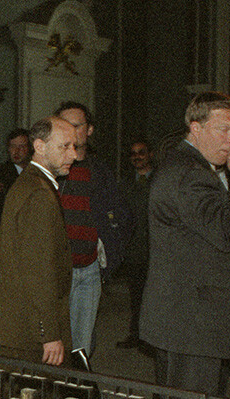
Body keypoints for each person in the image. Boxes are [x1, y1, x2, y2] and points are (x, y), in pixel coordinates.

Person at [139, 92, 230, 395]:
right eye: (223, 129)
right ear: (195, 127)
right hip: (192, 322)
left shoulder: (188, 166)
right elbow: (229, 234)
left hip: (188, 319)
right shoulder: (190, 174)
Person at [0, 116, 76, 365]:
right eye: (65, 146)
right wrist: (49, 333)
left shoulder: (32, 184)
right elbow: (39, 270)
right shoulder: (38, 193)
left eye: (74, 146)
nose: (74, 155)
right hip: (26, 336)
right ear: (40, 147)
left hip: (17, 329)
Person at [54, 101, 131, 361]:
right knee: (53, 346)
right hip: (55, 270)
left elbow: (120, 219)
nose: (71, 131)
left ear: (89, 130)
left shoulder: (100, 171)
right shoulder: (50, 171)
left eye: (77, 125)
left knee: (82, 348)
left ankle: (75, 398)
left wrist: (108, 265)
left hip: (89, 270)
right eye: (64, 125)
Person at [116, 138, 154, 350]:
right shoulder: (125, 184)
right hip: (134, 249)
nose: (137, 157)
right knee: (136, 295)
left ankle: (151, 339)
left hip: (155, 249)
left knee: (153, 297)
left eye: (141, 152)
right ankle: (136, 334)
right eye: (133, 154)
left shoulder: (158, 181)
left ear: (150, 155)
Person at [0, 128, 32, 302]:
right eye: (13, 146)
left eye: (21, 146)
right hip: (1, 245)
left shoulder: (36, 174)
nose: (17, 151)